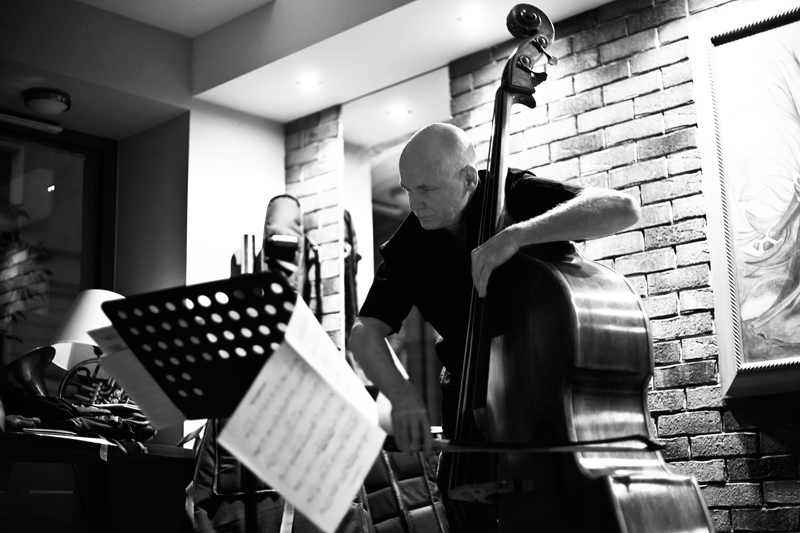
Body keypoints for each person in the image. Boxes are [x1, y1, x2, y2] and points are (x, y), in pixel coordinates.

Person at [348, 122, 640, 528]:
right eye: (407, 190)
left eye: (426, 189)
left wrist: (518, 235)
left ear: (469, 179)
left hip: (552, 412)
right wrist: (402, 395)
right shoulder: (410, 245)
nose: (414, 204)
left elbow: (622, 208)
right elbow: (365, 333)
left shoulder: (512, 193)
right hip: (471, 411)